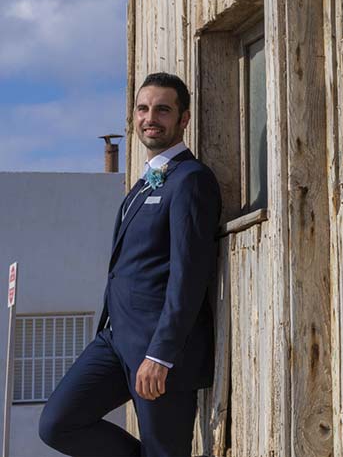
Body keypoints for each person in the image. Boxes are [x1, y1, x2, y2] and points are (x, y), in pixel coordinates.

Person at [40, 72, 222, 456]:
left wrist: (161, 354)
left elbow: (188, 276)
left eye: (162, 109)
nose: (150, 117)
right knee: (58, 422)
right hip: (115, 339)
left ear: (183, 118)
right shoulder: (142, 185)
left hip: (160, 349)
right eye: (143, 108)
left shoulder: (191, 181)